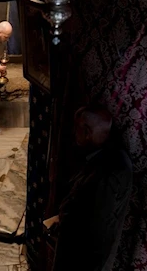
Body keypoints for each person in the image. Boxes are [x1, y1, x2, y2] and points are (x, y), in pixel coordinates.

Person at [50, 104, 133, 271]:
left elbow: (97, 231)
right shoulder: (100, 156)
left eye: (77, 129)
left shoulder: (109, 173)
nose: (74, 134)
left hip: (82, 260)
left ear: (87, 133)